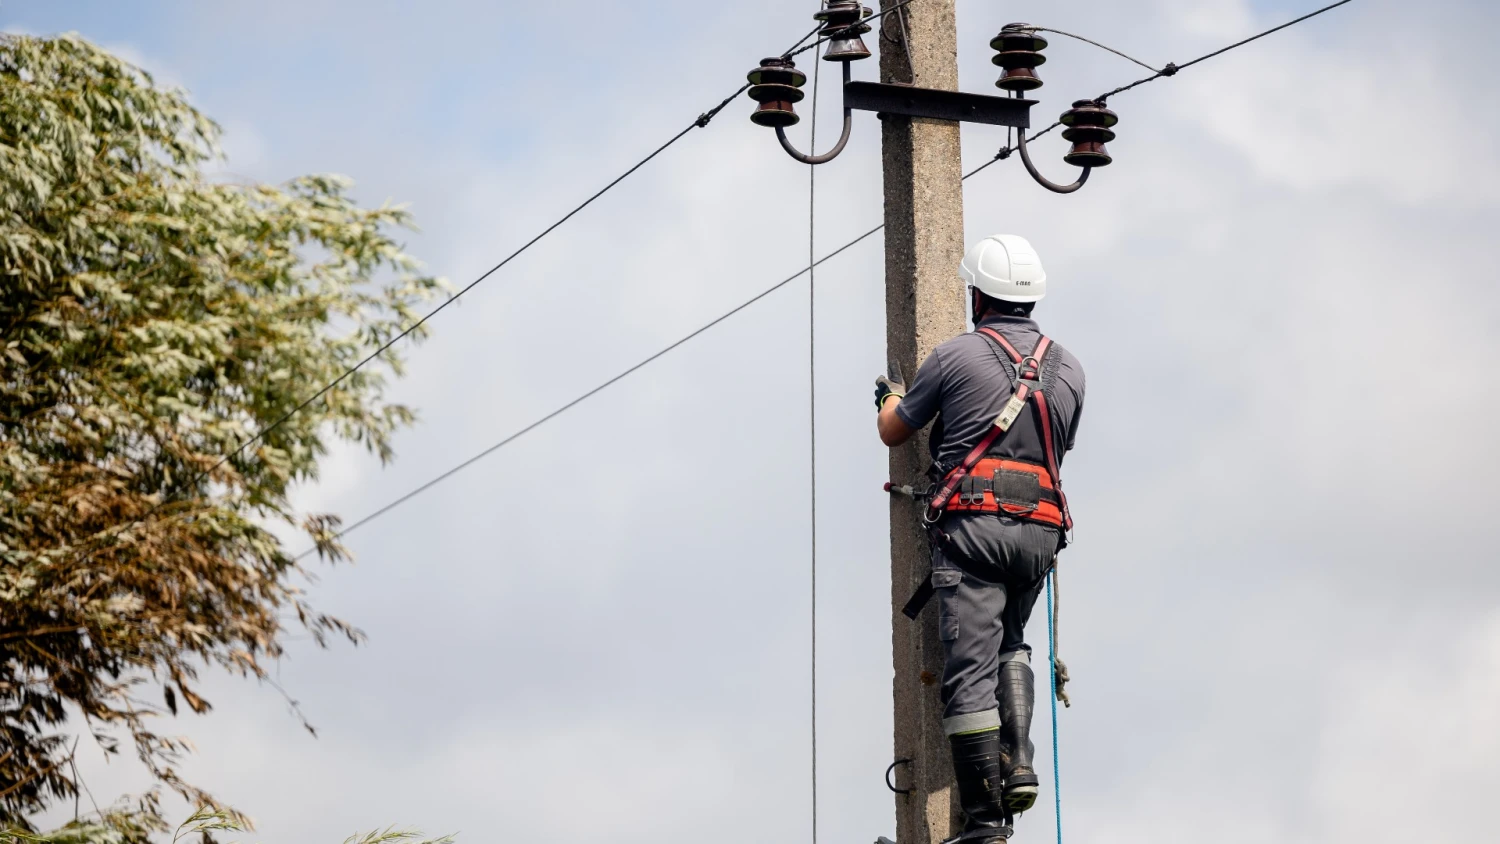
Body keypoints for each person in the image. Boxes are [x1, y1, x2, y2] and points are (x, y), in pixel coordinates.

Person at [873, 234, 1085, 843]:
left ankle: (985, 827)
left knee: (967, 672)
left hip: (976, 531)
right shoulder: (1069, 368)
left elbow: (895, 430)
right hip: (1040, 534)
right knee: (1010, 643)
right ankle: (1017, 765)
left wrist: (889, 397)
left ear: (978, 295)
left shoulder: (955, 355)